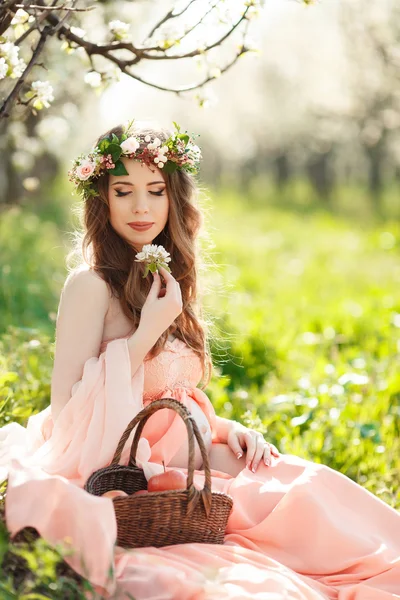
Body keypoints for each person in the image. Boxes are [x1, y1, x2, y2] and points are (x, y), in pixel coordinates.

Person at [0, 119, 399, 600]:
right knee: (290, 507)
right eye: (123, 191)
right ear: (102, 199)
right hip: (132, 474)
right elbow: (66, 414)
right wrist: (147, 329)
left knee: (304, 483)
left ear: (175, 198)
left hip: (194, 450)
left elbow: (171, 394)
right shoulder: (91, 286)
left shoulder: (165, 274)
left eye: (156, 191)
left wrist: (226, 428)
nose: (142, 207)